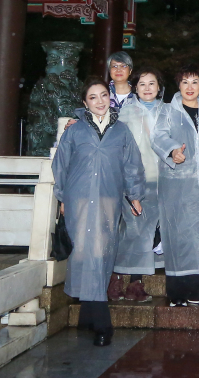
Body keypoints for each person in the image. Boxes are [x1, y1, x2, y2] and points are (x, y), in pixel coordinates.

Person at [52, 78, 145, 347]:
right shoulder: (75, 130)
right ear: (85, 102)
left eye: (104, 95)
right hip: (79, 197)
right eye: (93, 97)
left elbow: (132, 165)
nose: (100, 101)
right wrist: (62, 197)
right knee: (83, 251)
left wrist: (135, 195)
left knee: (102, 252)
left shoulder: (122, 131)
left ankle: (93, 317)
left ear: (110, 97)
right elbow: (61, 165)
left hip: (108, 197)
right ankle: (100, 321)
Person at [152, 66, 199, 307]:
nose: (190, 87)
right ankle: (177, 292)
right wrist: (172, 151)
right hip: (176, 184)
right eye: (185, 82)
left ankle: (198, 290)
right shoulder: (167, 111)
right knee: (178, 237)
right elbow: (158, 137)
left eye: (194, 82)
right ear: (178, 85)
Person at [111, 67, 164, 302]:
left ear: (159, 87)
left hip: (162, 179)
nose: (147, 88)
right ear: (135, 88)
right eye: (142, 84)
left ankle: (135, 281)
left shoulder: (168, 111)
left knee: (149, 232)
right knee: (132, 231)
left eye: (152, 83)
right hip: (135, 179)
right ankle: (119, 279)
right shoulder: (126, 113)